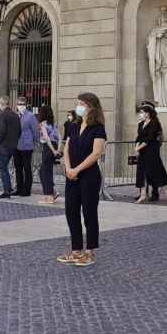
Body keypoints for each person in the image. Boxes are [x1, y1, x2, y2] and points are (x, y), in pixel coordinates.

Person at [58, 92, 107, 268]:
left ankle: (90, 251)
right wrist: (68, 168)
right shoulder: (73, 125)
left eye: (82, 104)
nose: (78, 106)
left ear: (91, 107)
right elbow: (67, 147)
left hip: (89, 176)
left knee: (89, 213)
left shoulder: (98, 128)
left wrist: (78, 169)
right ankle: (76, 249)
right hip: (72, 175)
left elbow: (96, 153)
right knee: (71, 211)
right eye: (78, 103)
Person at [134, 103, 167, 204]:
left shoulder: (154, 123)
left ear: (147, 113)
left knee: (154, 170)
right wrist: (137, 146)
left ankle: (163, 189)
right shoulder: (141, 124)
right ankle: (142, 194)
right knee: (141, 171)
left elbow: (150, 138)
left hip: (151, 150)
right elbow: (139, 136)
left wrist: (140, 146)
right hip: (143, 151)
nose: (140, 114)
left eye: (142, 112)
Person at [0, 96, 20, 199]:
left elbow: (1, 131)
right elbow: (19, 131)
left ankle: (7, 190)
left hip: (4, 147)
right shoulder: (15, 115)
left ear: (3, 103)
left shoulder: (3, 115)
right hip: (13, 146)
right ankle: (9, 188)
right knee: (7, 168)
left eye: (0, 103)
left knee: (3, 168)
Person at [14, 97, 38, 197]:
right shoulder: (15, 116)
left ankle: (27, 190)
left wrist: (35, 141)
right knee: (17, 168)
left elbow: (35, 131)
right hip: (16, 145)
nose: (21, 106)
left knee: (27, 168)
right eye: (19, 104)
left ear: (26, 105)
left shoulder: (31, 116)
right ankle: (19, 188)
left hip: (27, 146)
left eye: (22, 104)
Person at [38, 105, 61, 203]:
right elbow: (60, 138)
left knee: (44, 172)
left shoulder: (43, 124)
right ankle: (52, 193)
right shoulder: (53, 124)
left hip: (48, 148)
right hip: (54, 146)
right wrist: (57, 150)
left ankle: (49, 196)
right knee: (46, 171)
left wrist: (52, 150)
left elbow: (46, 138)